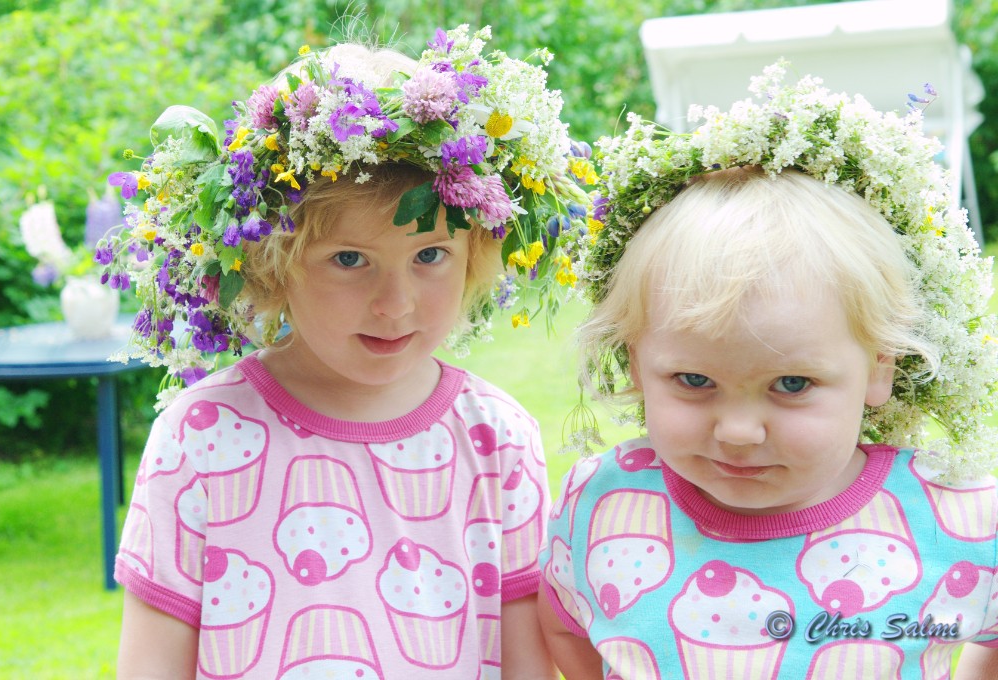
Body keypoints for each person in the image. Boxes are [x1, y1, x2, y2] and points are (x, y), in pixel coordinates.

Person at [104, 24, 595, 679]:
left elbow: (522, 664)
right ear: (272, 264)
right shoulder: (201, 436)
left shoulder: (497, 439)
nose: (394, 303)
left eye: (429, 256)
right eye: (349, 259)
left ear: (475, 254)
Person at [537, 63, 998, 679]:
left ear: (879, 367)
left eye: (792, 384)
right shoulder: (606, 501)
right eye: (694, 381)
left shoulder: (959, 518)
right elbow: (561, 619)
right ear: (636, 361)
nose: (738, 431)